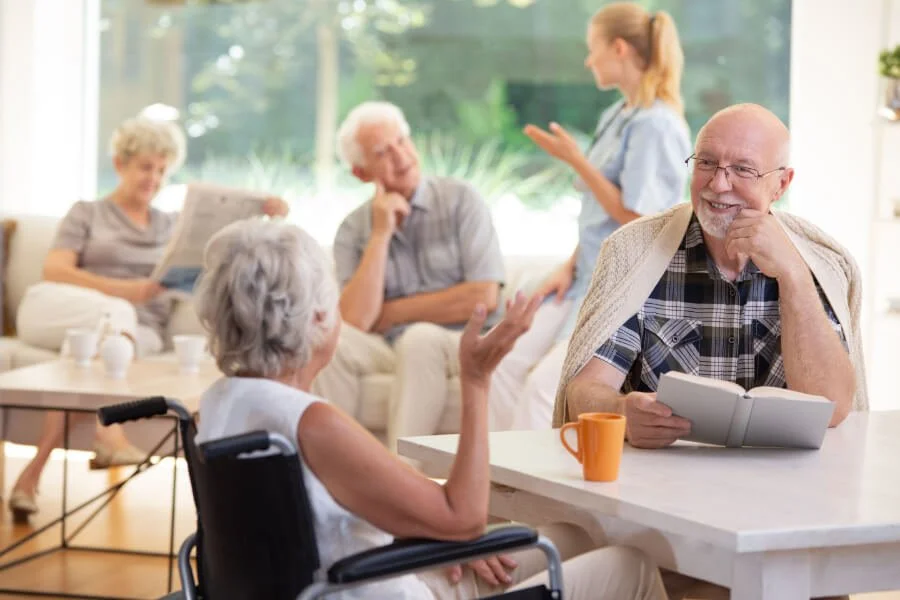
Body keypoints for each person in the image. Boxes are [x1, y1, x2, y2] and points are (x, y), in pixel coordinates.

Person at [192, 217, 668, 600]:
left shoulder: (219, 405)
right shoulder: (312, 423)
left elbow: (313, 524)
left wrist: (437, 535)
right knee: (632, 566)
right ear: (317, 318)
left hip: (341, 579)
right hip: (374, 588)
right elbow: (463, 518)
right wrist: (476, 380)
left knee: (574, 537)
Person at [554, 104, 864, 598]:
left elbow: (832, 405)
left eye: (741, 169)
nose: (718, 185)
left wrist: (793, 278)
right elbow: (583, 392)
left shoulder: (818, 263)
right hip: (668, 521)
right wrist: (618, 411)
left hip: (788, 516)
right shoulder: (637, 253)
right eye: (706, 163)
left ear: (780, 185)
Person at [8, 116, 288, 520]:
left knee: (83, 353)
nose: (153, 178)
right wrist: (127, 292)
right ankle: (109, 434)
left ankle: (31, 476)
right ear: (120, 164)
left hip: (135, 334)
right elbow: (55, 271)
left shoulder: (171, 226)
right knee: (111, 316)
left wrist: (264, 217)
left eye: (161, 170)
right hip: (61, 308)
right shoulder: (87, 213)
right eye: (145, 167)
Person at [490, 2, 692, 431]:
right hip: (584, 275)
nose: (588, 60)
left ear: (618, 48)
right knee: (502, 363)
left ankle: (534, 488)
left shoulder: (655, 124)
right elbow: (599, 216)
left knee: (546, 387)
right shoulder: (618, 114)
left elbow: (639, 221)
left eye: (593, 48)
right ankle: (495, 481)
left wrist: (576, 162)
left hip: (619, 288)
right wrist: (568, 265)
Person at [313, 101, 506, 450]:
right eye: (382, 152)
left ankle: (401, 478)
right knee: (328, 338)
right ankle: (331, 472)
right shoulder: (353, 229)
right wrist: (380, 234)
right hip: (390, 345)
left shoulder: (461, 199)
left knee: (419, 339)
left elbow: (482, 297)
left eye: (402, 141)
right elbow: (356, 320)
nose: (401, 157)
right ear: (360, 172)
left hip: (458, 341)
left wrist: (391, 313)